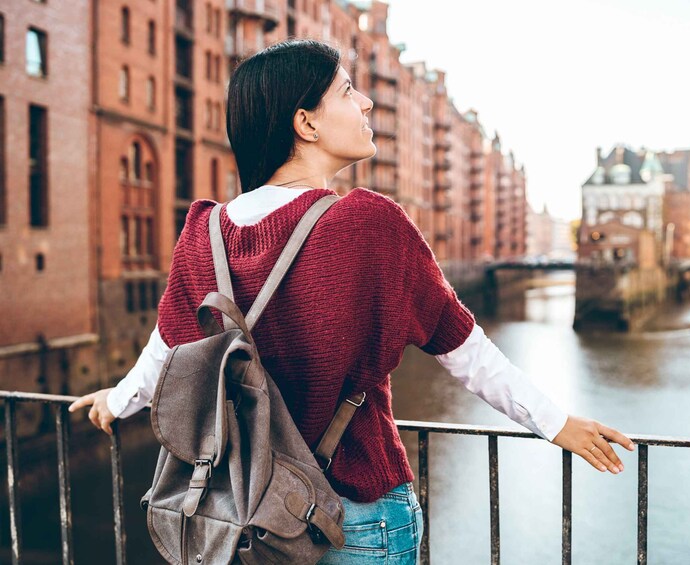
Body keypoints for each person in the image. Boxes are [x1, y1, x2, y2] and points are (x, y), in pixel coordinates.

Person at [69, 39, 635, 563]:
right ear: (306, 122)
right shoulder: (368, 221)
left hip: (249, 514)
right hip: (357, 517)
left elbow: (168, 350)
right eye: (346, 90)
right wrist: (557, 423)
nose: (365, 101)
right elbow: (462, 348)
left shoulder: (205, 230)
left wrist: (117, 402)